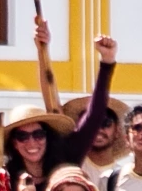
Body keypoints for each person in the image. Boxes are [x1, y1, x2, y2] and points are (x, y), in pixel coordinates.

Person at [32, 24, 124, 168]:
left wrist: (108, 61)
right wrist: (42, 50)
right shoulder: (68, 156)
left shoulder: (123, 175)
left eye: (105, 123)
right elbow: (52, 102)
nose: (98, 128)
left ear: (117, 130)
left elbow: (96, 113)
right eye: (85, 121)